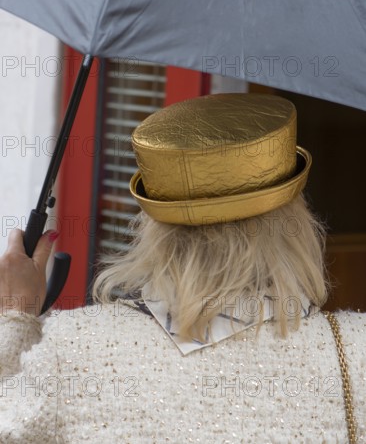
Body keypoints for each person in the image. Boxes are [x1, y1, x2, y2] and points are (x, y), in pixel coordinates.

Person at [0, 93, 364, 443]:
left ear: (150, 225)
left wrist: (15, 319)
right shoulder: (355, 354)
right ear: (298, 221)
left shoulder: (72, 350)